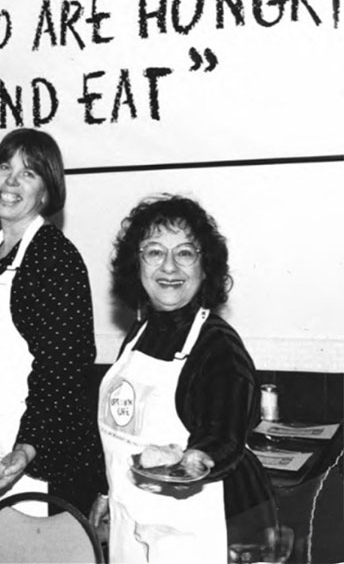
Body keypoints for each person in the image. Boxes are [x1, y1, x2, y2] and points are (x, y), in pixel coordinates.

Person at [90, 194, 276, 562]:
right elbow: (120, 429)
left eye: (185, 253)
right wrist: (106, 491)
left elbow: (223, 434)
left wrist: (194, 458)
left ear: (205, 267)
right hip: (130, 524)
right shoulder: (139, 334)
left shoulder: (219, 347)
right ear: (137, 265)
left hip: (187, 536)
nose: (169, 267)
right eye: (154, 252)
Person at [0, 128, 106, 519]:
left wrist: (27, 448)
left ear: (46, 192)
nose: (10, 180)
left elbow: (63, 369)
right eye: (5, 166)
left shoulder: (52, 257)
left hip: (36, 461)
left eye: (28, 173)